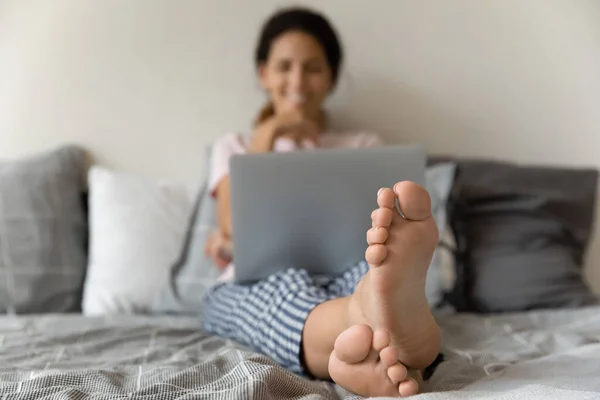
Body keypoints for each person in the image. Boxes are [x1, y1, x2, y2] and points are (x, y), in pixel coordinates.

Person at [202, 7, 441, 398]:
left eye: (313, 68)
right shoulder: (236, 146)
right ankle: (385, 329)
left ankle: (370, 323)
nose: (297, 80)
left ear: (330, 77)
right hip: (253, 281)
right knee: (276, 295)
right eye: (284, 67)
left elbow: (374, 238)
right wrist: (269, 133)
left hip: (346, 270)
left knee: (367, 274)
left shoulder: (363, 147)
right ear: (263, 74)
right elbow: (230, 225)